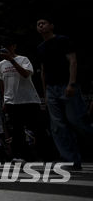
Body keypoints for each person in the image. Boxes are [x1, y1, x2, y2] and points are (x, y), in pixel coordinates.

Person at [36, 17, 93, 170]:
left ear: (52, 26)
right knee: (58, 126)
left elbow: (73, 62)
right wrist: (45, 94)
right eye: (38, 24)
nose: (41, 26)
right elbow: (43, 72)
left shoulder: (63, 40)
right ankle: (71, 160)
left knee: (77, 121)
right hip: (51, 89)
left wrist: (71, 83)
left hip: (66, 86)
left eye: (44, 23)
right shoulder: (40, 47)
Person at [0, 36, 43, 161]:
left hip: (28, 99)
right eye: (4, 46)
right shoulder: (0, 65)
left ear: (14, 46)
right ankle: (21, 156)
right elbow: (2, 83)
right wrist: (4, 100)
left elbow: (26, 74)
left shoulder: (23, 59)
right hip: (12, 102)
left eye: (9, 45)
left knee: (37, 128)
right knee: (17, 130)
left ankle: (44, 154)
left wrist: (12, 60)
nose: (7, 48)